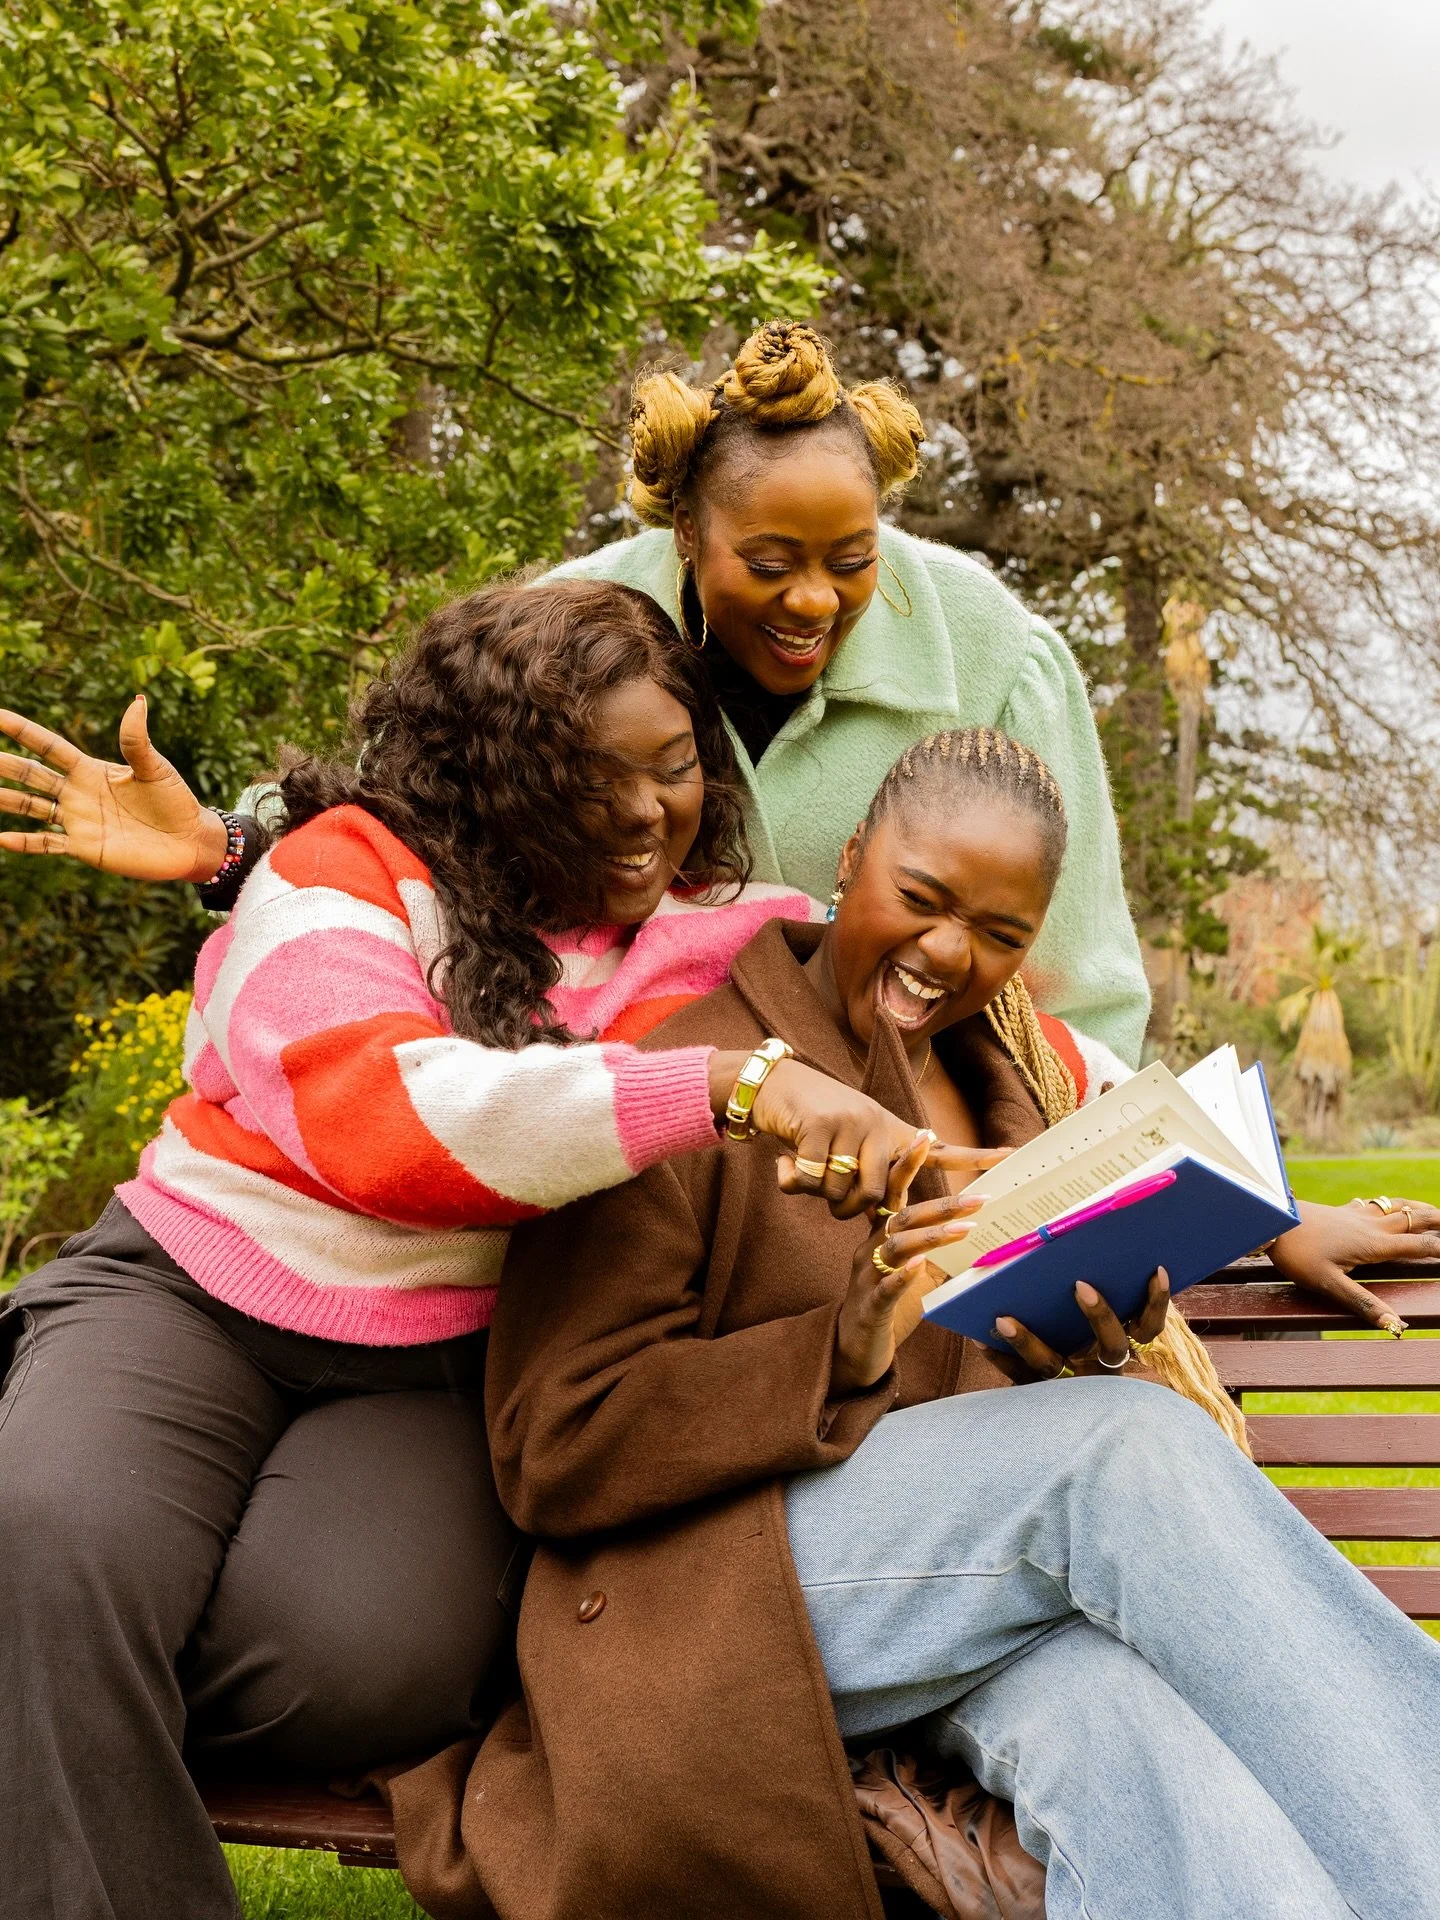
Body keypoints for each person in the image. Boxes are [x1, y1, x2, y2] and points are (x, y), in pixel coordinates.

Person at [0, 580, 1003, 1920]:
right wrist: (720, 1087)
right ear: (492, 773)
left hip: (432, 1371)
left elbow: (987, 1022)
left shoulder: (714, 938)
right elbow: (389, 1120)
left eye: (676, 769)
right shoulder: (336, 874)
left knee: (360, 1667)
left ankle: (57, 1682)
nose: (651, 814)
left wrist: (1277, 1210)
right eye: (593, 779)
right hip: (192, 1292)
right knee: (51, 1539)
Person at [384, 727, 1440, 1920]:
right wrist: (838, 1350)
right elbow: (550, 1446)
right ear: (850, 859)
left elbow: (988, 1435)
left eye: (1000, 935)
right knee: (1123, 1451)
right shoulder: (693, 1078)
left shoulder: (1018, 1092)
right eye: (922, 900)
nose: (949, 954)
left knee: (1148, 1754)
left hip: (967, 1596)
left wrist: (1071, 1336)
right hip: (711, 1598)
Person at [0, 320, 1149, 1060]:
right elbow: (419, 808)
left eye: (853, 562)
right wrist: (227, 844)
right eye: (769, 564)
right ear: (688, 530)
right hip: (621, 1113)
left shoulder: (998, 655)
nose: (813, 602)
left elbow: (1083, 992)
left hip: (897, 1125)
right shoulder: (573, 632)